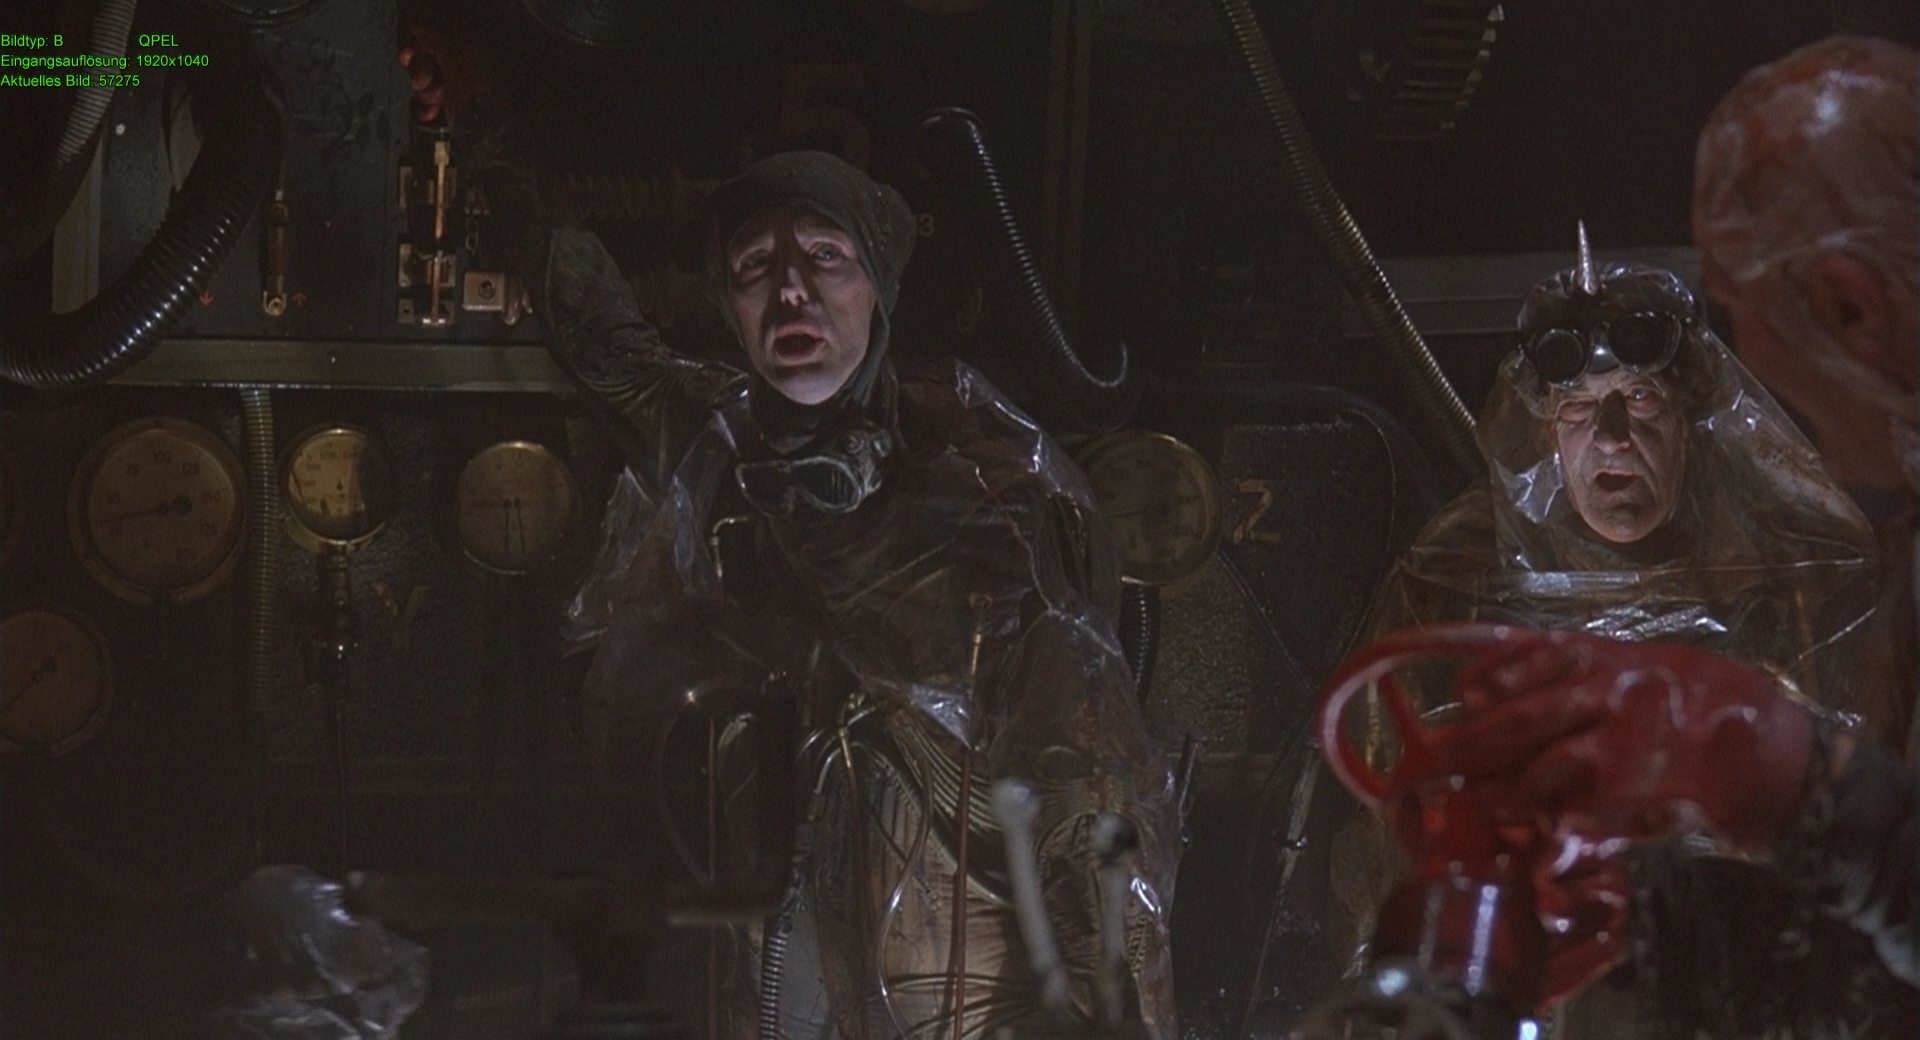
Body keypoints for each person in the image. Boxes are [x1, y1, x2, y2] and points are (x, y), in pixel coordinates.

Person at [402, 37, 1182, 1040]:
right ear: (730, 307)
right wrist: (478, 113)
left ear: (878, 287)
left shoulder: (993, 494)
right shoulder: (720, 451)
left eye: (825, 257)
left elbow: (1096, 798)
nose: (791, 290)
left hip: (957, 981)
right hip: (778, 960)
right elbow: (594, 325)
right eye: (755, 267)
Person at [1428, 30, 1919, 1028]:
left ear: (1852, 305)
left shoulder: (1818, 572)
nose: (1760, 397)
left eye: (1753, 324)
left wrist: (1792, 777)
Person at [1290, 234, 1896, 1039]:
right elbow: (1393, 822)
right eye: (1578, 408)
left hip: (1742, 958)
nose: (1610, 436)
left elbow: (1855, 807)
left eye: (1640, 400)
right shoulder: (1463, 575)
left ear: (1691, 417)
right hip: (1533, 947)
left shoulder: (1799, 565)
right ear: (1545, 429)